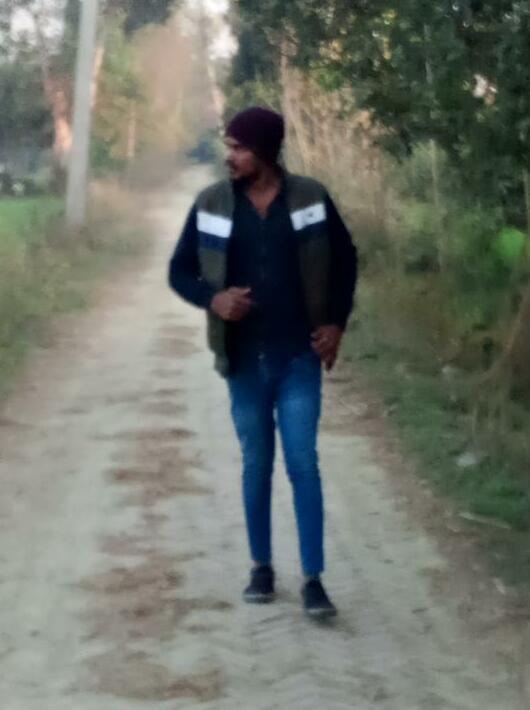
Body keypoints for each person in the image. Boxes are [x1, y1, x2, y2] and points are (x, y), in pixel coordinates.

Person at [168, 107, 358, 618]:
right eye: (228, 146)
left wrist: (336, 323)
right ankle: (261, 567)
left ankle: (314, 579)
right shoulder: (212, 203)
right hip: (244, 362)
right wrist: (214, 299)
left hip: (298, 358)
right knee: (256, 464)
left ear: (265, 151)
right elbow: (179, 271)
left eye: (239, 147)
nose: (229, 156)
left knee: (303, 463)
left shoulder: (311, 198)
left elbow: (346, 261)